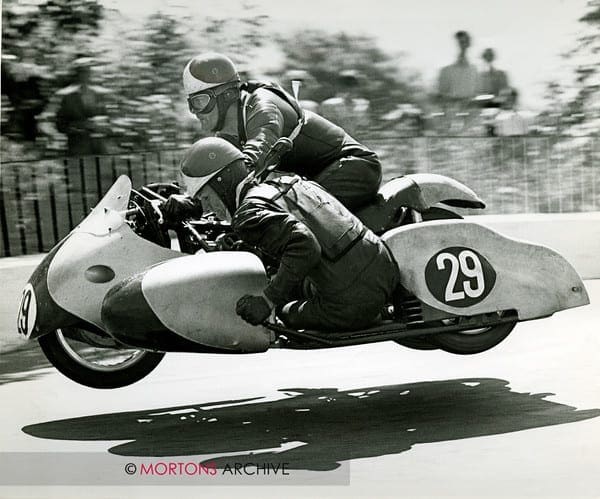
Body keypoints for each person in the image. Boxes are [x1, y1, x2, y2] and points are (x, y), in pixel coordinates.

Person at [163, 137, 400, 331]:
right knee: (292, 278)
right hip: (386, 268)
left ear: (222, 183)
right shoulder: (283, 182)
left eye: (206, 197)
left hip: (350, 303)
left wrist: (267, 301)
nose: (207, 208)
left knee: (285, 314)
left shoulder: (248, 213)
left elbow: (305, 245)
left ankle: (369, 315)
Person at [182, 52, 382, 211]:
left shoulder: (263, 105)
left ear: (226, 95)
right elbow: (220, 181)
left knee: (285, 216)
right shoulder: (228, 134)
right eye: (191, 104)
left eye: (200, 102)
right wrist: (192, 199)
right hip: (316, 179)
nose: (195, 112)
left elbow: (259, 146)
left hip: (354, 168)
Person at [55, 56, 109, 156]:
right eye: (83, 71)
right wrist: (82, 125)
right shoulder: (66, 96)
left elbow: (108, 118)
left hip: (101, 149)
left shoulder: (100, 94)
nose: (87, 75)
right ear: (77, 73)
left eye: (89, 71)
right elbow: (60, 125)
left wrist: (103, 124)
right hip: (78, 149)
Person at [319, 70, 371, 138]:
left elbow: (364, 128)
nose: (351, 88)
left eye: (353, 84)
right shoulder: (330, 105)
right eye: (348, 84)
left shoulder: (363, 105)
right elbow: (328, 127)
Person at [437, 31, 479, 104]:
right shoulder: (445, 70)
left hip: (470, 108)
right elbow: (442, 93)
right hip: (452, 108)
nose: (462, 47)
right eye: (460, 42)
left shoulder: (474, 69)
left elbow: (477, 92)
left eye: (465, 42)